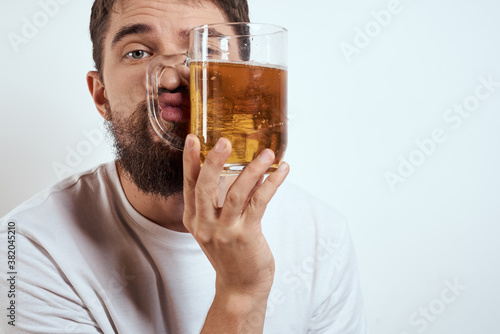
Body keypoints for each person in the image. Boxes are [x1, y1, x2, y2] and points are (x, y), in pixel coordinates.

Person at [0, 0, 368, 333]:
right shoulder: (26, 247)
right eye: (138, 52)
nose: (173, 78)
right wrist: (241, 292)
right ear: (101, 95)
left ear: (251, 79)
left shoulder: (322, 238)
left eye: (205, 49)